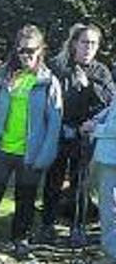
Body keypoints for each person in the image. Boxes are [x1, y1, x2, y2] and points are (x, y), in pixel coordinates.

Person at [0, 25, 62, 259]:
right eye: (22, 50)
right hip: (0, 149)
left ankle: (20, 240)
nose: (26, 55)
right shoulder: (3, 77)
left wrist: (45, 155)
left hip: (30, 153)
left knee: (26, 199)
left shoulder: (48, 82)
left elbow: (54, 123)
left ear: (41, 50)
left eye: (31, 50)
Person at [40, 23, 115, 247]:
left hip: (87, 135)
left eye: (93, 43)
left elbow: (109, 102)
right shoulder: (58, 66)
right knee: (53, 180)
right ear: (74, 44)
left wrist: (89, 85)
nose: (88, 48)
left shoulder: (101, 71)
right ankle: (47, 224)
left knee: (80, 182)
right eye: (84, 42)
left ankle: (77, 226)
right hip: (60, 132)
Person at [91, 100, 116, 264]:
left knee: (109, 208)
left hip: (111, 160)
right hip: (108, 157)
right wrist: (97, 118)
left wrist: (94, 129)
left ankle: (113, 255)